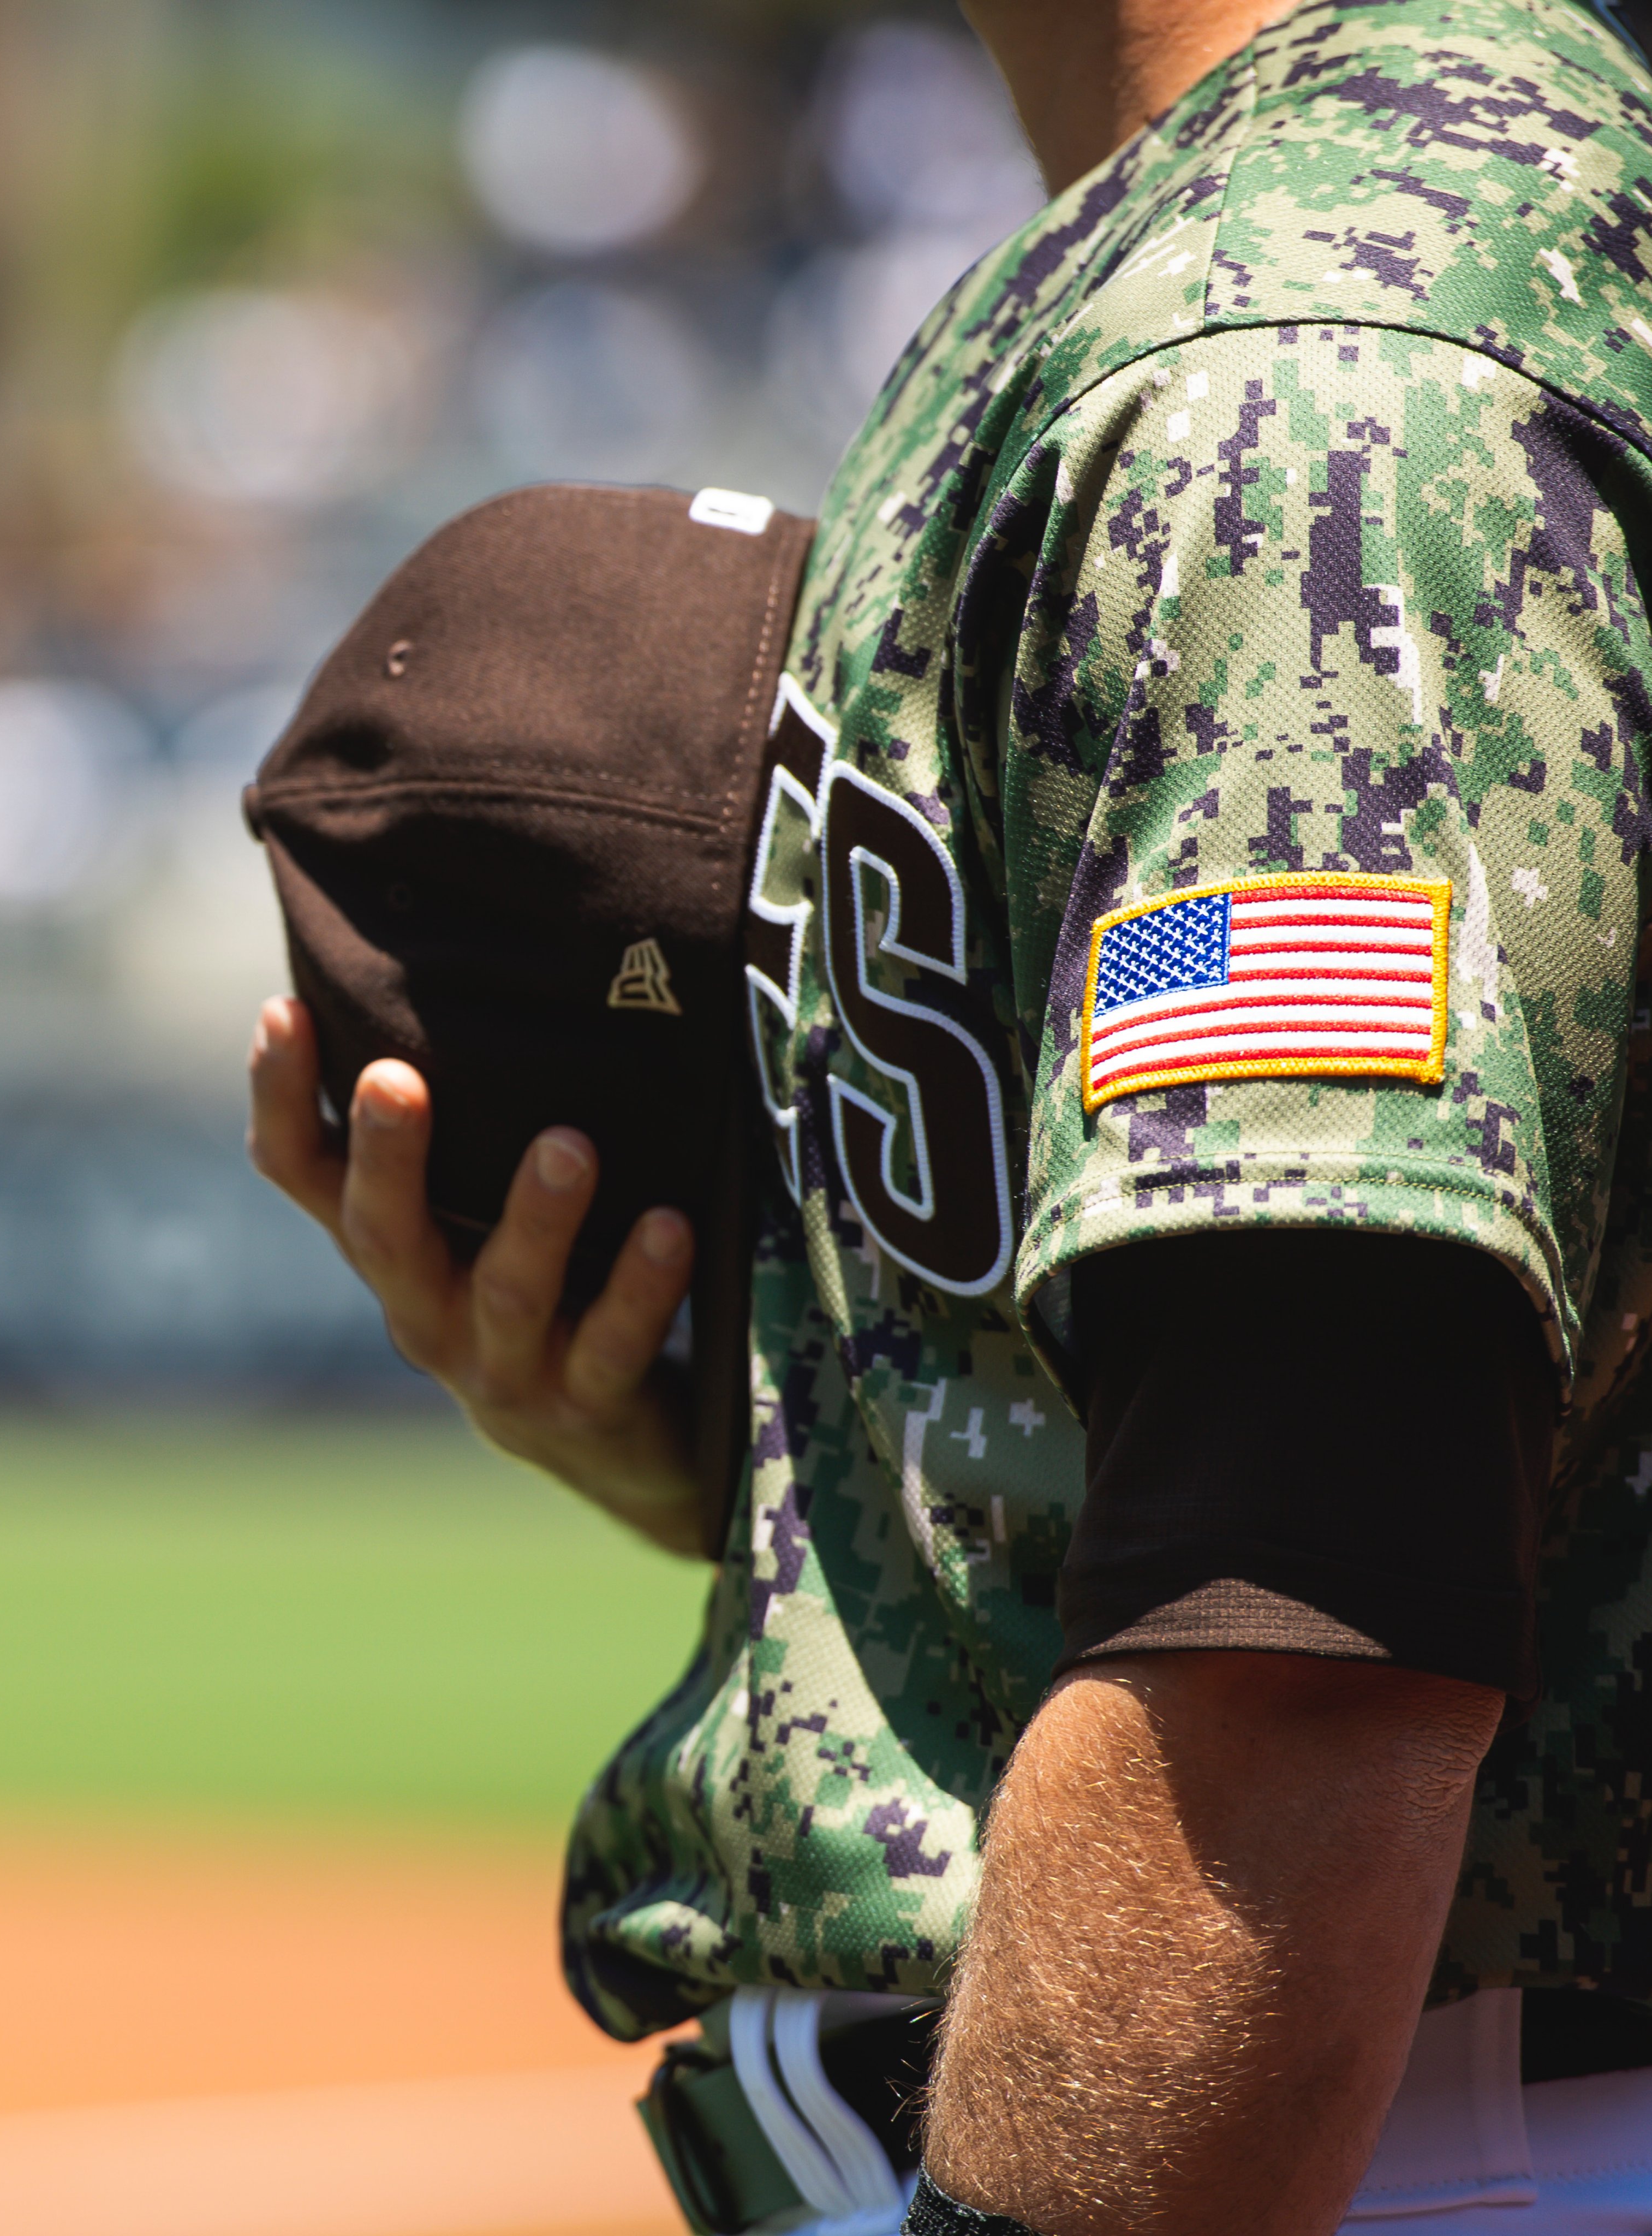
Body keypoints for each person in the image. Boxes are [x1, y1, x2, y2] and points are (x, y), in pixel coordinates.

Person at [248, 1, 1652, 2229]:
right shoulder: (1237, 247)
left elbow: (1295, 1651)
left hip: (1391, 2149)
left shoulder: (1309, 343)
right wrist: (781, 1452)